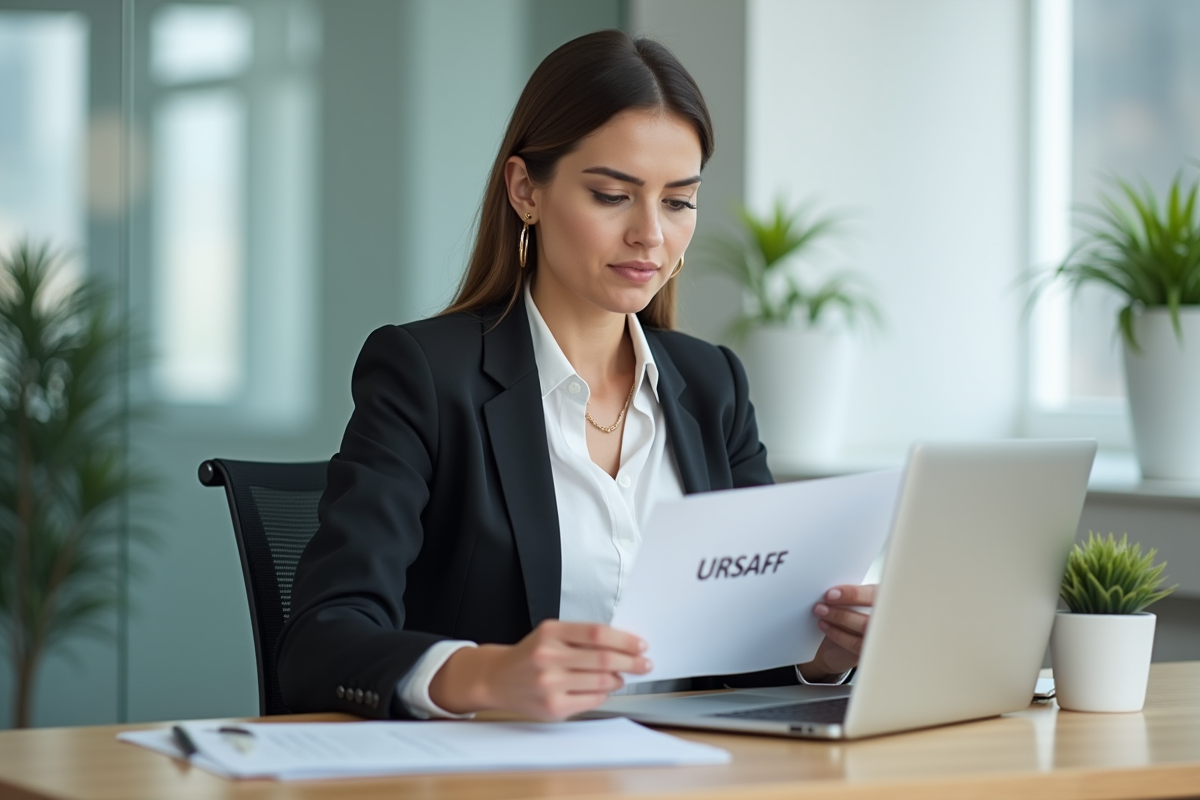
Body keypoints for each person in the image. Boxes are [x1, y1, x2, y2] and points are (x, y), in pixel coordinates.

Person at [276, 29, 875, 722]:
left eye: (678, 201)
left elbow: (748, 633)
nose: (651, 234)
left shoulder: (713, 387)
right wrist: (480, 673)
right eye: (613, 195)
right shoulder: (425, 377)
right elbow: (321, 641)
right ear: (526, 189)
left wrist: (818, 652)